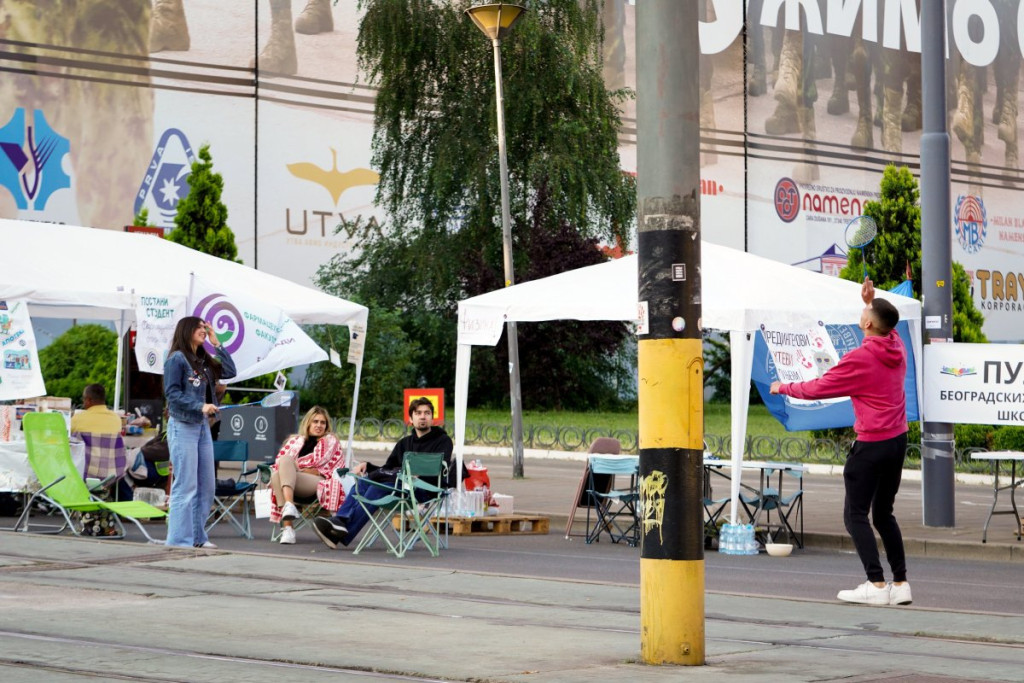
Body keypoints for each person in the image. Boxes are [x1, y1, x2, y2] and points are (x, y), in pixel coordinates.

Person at [770, 278, 911, 606]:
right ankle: (901, 584)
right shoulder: (897, 346)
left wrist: (783, 387)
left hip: (871, 445)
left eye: (865, 312)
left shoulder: (860, 359)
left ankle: (876, 584)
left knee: (855, 516)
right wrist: (870, 301)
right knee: (884, 514)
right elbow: (884, 325)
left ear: (868, 324)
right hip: (897, 440)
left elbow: (818, 388)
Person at [312, 397, 461, 549]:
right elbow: (387, 469)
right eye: (418, 413)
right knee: (363, 482)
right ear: (411, 419)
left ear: (432, 418)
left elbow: (436, 469)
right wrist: (368, 466)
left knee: (376, 488)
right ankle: (341, 520)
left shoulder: (443, 440)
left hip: (425, 489)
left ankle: (340, 532)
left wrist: (416, 472)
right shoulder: (404, 443)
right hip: (400, 486)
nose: (423, 417)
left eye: (427, 413)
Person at [163, 316, 236, 549]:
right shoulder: (176, 359)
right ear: (186, 330)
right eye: (199, 327)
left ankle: (197, 537)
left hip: (202, 426)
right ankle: (178, 540)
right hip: (183, 425)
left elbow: (230, 371)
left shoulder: (203, 361)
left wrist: (217, 343)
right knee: (185, 485)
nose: (204, 330)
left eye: (205, 327)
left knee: (206, 486)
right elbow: (172, 394)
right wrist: (200, 406)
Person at [269, 406, 346, 545]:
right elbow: (281, 463)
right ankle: (288, 525)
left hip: (318, 482)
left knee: (282, 468)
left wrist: (295, 468)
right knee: (277, 472)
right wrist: (298, 469)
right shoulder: (295, 441)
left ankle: (288, 519)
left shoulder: (330, 441)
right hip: (293, 483)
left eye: (323, 422)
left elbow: (321, 466)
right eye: (315, 421)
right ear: (308, 423)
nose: (319, 425)